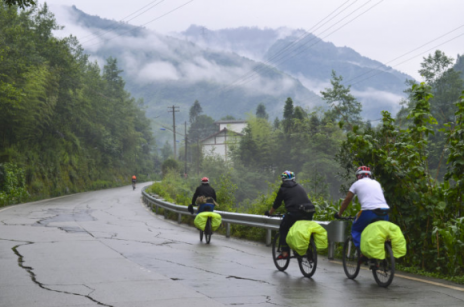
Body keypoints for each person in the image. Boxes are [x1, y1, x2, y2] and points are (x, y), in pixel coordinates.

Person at [334, 166, 390, 257]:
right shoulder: (377, 183)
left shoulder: (356, 184)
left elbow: (347, 200)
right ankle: (379, 258)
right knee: (379, 233)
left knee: (356, 229)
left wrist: (339, 213)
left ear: (358, 175)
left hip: (368, 211)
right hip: (385, 211)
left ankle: (362, 252)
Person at [264, 170, 315, 259]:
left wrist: (270, 213)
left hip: (295, 212)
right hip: (309, 211)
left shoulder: (283, 189)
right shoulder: (299, 186)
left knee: (283, 228)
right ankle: (309, 249)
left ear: (283, 180)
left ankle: (284, 252)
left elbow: (277, 203)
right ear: (294, 179)